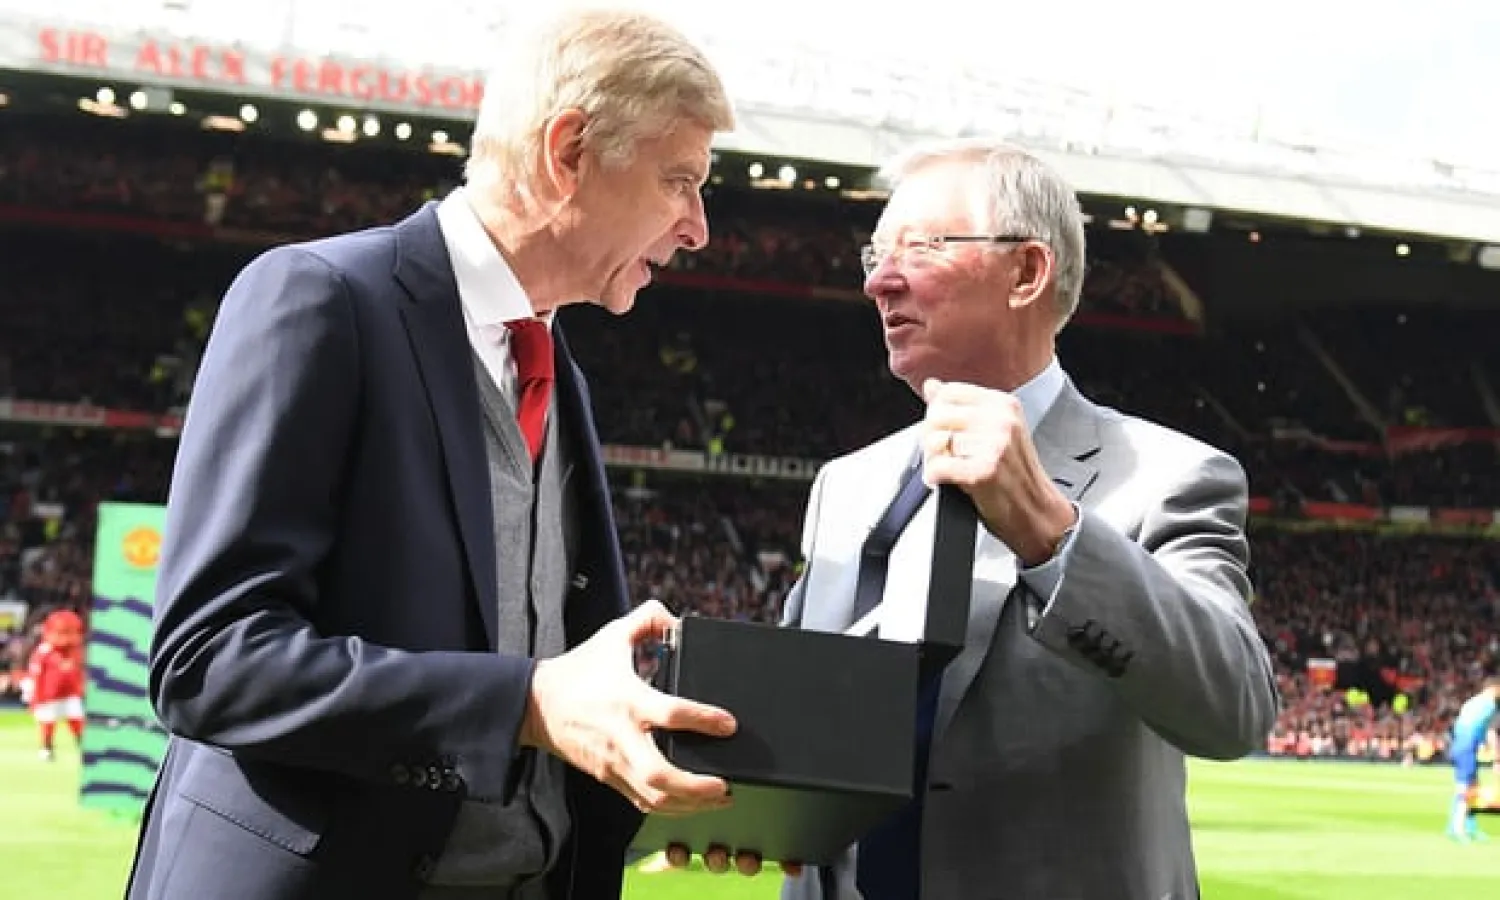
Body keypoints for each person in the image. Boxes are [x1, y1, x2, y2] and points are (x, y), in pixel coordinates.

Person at [124, 9, 741, 900]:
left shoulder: (557, 365)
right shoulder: (320, 300)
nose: (698, 227)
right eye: (679, 181)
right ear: (567, 152)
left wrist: (700, 781)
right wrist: (523, 703)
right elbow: (210, 659)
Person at [672, 138, 1279, 897]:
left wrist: (1053, 535)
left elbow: (1237, 707)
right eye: (874, 255)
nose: (879, 282)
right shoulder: (847, 485)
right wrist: (745, 794)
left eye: (919, 248)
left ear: (1026, 272)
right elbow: (816, 702)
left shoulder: (1167, 476)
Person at [21, 608, 87, 761]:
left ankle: (83, 748)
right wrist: (36, 698)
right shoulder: (44, 651)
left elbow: (77, 672)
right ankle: (46, 749)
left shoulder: (75, 651)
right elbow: (36, 675)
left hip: (70, 694)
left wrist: (79, 688)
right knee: (47, 723)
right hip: (49, 696)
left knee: (77, 720)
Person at [1447, 678, 1500, 843]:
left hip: (1462, 745)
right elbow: (1490, 731)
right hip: (1467, 747)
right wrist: (1497, 758)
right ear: (1493, 688)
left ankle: (1469, 827)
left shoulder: (1473, 702)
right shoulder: (1489, 705)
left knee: (1473, 786)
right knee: (1466, 789)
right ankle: (1457, 828)